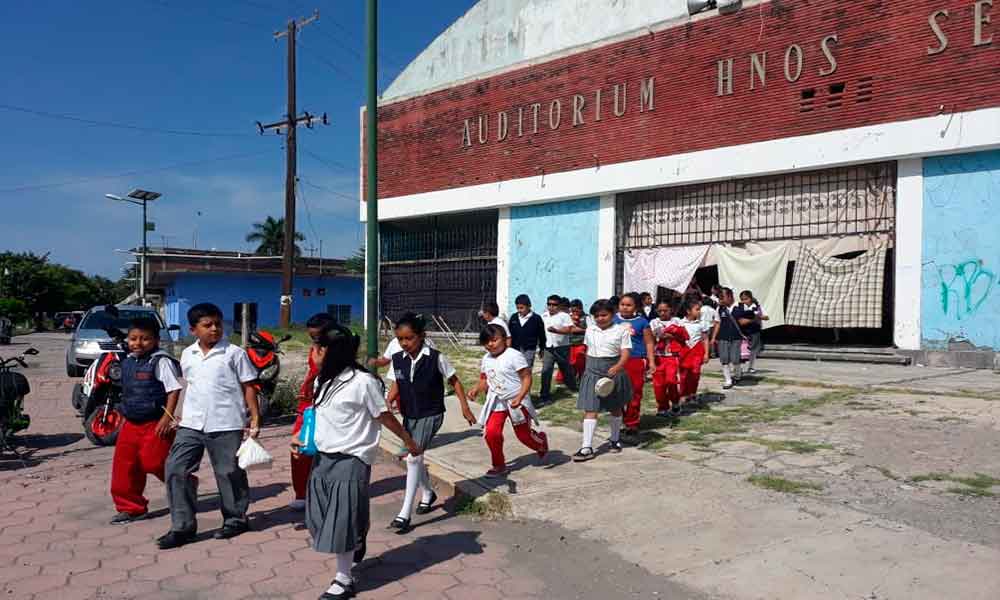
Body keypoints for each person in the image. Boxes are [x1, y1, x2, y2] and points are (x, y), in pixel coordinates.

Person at [291, 324, 423, 600]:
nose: (313, 353)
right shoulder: (322, 381)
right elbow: (316, 415)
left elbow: (384, 416)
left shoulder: (363, 382)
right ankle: (358, 535)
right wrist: (300, 438)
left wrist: (408, 441)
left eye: (318, 348)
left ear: (331, 351)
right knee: (317, 519)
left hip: (352, 459)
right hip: (322, 458)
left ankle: (343, 579)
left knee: (340, 520)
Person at [159, 303, 260, 549]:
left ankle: (235, 519)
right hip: (191, 423)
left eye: (218, 323)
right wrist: (178, 414)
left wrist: (254, 418)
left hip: (226, 422)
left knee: (228, 473)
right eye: (207, 325)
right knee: (175, 469)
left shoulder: (234, 353)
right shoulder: (187, 354)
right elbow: (191, 385)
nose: (214, 329)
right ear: (193, 329)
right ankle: (182, 527)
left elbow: (249, 386)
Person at [386, 313, 476, 533]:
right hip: (410, 415)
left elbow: (455, 381)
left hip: (431, 413)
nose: (405, 343)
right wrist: (388, 399)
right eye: (400, 339)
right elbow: (398, 381)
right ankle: (428, 493)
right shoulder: (398, 358)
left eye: (409, 338)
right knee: (415, 458)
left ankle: (404, 513)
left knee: (413, 457)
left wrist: (465, 407)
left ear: (421, 336)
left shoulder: (436, 357)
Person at [108, 317, 183, 524]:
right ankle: (132, 508)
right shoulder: (128, 361)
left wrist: (166, 419)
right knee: (124, 467)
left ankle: (186, 485)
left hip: (155, 423)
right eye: (133, 338)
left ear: (156, 340)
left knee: (154, 462)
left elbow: (174, 389)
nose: (138, 343)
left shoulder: (161, 361)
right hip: (131, 423)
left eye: (145, 339)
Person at [469, 324, 549, 478]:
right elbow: (485, 379)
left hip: (516, 400)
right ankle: (499, 465)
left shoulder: (514, 356)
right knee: (491, 433)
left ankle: (540, 442)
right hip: (497, 401)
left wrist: (519, 397)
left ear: (505, 339)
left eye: (494, 340)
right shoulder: (486, 359)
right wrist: (476, 389)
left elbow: (526, 377)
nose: (490, 345)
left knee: (523, 436)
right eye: (486, 342)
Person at [573, 299, 632, 462]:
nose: (600, 318)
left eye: (604, 315)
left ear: (612, 315)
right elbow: (588, 350)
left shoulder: (621, 330)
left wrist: (618, 366)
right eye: (597, 316)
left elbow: (626, 352)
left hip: (613, 370)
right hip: (592, 371)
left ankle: (614, 440)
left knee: (615, 407)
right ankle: (586, 447)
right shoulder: (590, 330)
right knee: (590, 408)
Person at [290, 313, 336, 512]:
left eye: (318, 336)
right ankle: (301, 492)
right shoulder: (314, 348)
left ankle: (327, 491)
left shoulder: (338, 350)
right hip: (308, 404)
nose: (315, 340)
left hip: (330, 404)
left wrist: (319, 367)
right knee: (299, 446)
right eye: (312, 337)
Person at [614, 293, 655, 441]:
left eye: (628, 305)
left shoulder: (642, 322)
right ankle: (619, 420)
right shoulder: (613, 320)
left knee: (634, 393)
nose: (624, 307)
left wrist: (651, 362)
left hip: (636, 360)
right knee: (617, 393)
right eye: (622, 304)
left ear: (636, 307)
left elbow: (649, 342)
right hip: (616, 360)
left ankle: (632, 424)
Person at [649, 301, 688, 419]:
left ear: (671, 309)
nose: (662, 313)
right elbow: (650, 339)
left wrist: (673, 335)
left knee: (671, 381)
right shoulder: (653, 322)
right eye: (660, 311)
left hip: (672, 356)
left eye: (665, 310)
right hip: (658, 357)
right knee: (658, 385)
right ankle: (662, 407)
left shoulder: (677, 321)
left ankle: (675, 402)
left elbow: (685, 336)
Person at [540, 294, 578, 405]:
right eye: (549, 304)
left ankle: (572, 386)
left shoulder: (564, 316)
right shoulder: (543, 316)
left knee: (565, 369)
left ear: (559, 305)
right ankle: (544, 395)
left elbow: (569, 329)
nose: (551, 307)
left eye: (554, 305)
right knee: (546, 370)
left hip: (562, 347)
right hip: (548, 347)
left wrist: (557, 331)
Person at [677, 298, 712, 411]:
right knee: (684, 374)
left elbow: (705, 338)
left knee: (695, 373)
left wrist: (706, 353)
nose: (699, 311)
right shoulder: (680, 322)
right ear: (688, 311)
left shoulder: (702, 323)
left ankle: (692, 394)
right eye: (697, 309)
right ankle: (683, 395)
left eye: (700, 309)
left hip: (697, 350)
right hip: (684, 350)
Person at [717, 288, 754, 389]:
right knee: (724, 359)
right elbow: (718, 323)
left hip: (736, 337)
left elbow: (753, 317)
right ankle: (728, 380)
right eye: (719, 297)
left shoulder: (742, 307)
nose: (721, 300)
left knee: (735, 358)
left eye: (722, 297)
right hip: (723, 337)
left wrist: (746, 324)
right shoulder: (720, 308)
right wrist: (714, 337)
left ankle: (738, 375)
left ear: (730, 296)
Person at [508, 294, 546, 369]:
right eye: (517, 308)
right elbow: (509, 333)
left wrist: (542, 348)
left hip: (529, 349)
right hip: (515, 348)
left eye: (521, 308)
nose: (519, 310)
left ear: (529, 306)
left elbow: (541, 335)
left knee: (526, 369)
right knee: (515, 369)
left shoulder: (536, 319)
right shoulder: (514, 317)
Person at [739, 290, 768, 374]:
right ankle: (739, 367)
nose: (744, 301)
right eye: (742, 299)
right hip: (743, 331)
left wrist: (759, 316)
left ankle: (751, 367)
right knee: (741, 350)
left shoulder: (757, 307)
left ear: (750, 298)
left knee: (753, 350)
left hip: (755, 330)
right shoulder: (740, 307)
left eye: (746, 299)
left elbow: (766, 317)